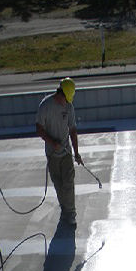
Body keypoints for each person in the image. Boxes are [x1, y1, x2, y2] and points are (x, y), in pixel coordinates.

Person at [36, 77, 83, 227]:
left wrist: (76, 153)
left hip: (66, 154)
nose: (67, 103)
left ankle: (70, 214)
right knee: (59, 186)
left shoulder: (69, 107)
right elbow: (39, 128)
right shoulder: (45, 106)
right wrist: (51, 142)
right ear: (61, 94)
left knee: (68, 184)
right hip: (52, 155)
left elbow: (73, 130)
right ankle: (65, 210)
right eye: (66, 99)